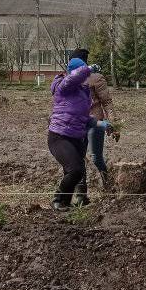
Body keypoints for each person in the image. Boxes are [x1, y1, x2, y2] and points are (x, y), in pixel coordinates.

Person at [48, 53, 110, 211]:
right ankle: (58, 200)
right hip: (59, 136)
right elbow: (72, 79)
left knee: (78, 171)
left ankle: (65, 203)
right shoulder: (63, 86)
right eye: (84, 74)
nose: (86, 78)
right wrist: (87, 68)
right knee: (75, 169)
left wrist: (104, 124)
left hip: (76, 138)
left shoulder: (84, 92)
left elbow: (85, 118)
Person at [76, 61, 116, 201]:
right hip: (78, 123)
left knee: (96, 157)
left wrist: (112, 123)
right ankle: (82, 195)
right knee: (78, 157)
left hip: (95, 122)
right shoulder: (71, 79)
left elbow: (107, 102)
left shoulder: (96, 78)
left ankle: (108, 185)